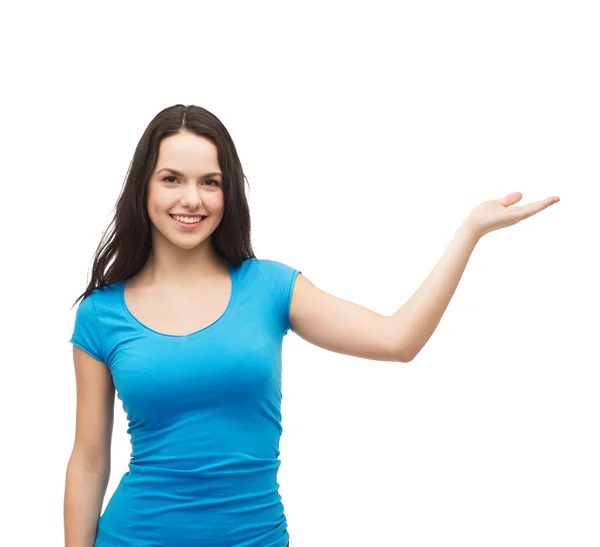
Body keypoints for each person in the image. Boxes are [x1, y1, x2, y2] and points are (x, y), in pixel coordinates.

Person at [63, 104, 560, 547]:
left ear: (228, 192)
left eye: (209, 182)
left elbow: (397, 340)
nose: (191, 198)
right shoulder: (100, 315)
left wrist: (469, 231)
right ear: (143, 187)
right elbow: (88, 461)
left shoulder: (272, 288)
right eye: (171, 178)